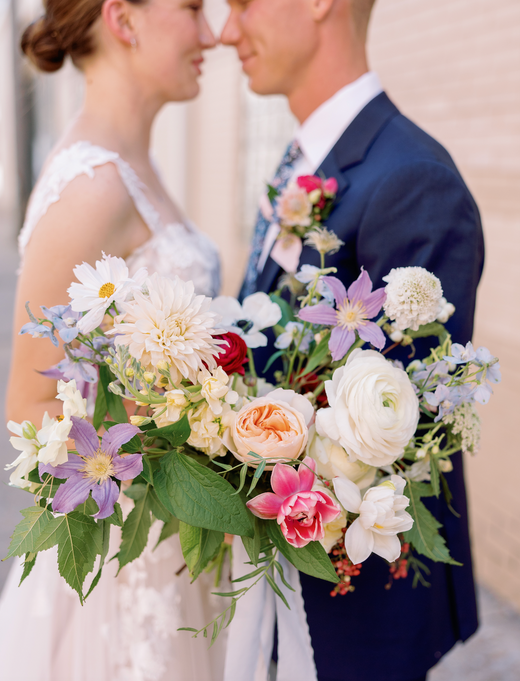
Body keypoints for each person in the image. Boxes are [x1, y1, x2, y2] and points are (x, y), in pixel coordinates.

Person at [221, 1, 484, 680]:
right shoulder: (302, 161)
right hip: (285, 585)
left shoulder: (412, 181)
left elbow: (402, 432)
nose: (226, 30)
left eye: (242, 4)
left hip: (357, 610)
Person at [0, 1, 225, 679]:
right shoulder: (91, 188)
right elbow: (27, 406)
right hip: (126, 571)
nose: (210, 33)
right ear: (124, 19)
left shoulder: (135, 165)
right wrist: (179, 433)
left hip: (176, 553)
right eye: (191, 8)